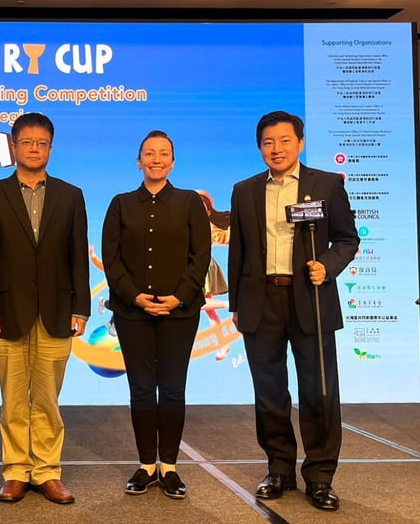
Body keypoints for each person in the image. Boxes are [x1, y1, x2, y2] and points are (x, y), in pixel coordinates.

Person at [227, 111, 359, 511]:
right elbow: (239, 252)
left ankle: (320, 477)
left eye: (285, 140)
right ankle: (279, 469)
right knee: (269, 393)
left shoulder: (326, 185)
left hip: (310, 298)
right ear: (259, 147)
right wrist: (236, 304)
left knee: (319, 390)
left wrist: (328, 266)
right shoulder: (244, 190)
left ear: (300, 143)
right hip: (261, 300)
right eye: (268, 142)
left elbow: (347, 239)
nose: (276, 148)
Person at [0, 112, 89, 505]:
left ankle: (47, 471)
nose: (34, 149)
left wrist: (82, 308)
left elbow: (78, 255)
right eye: (27, 142)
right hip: (6, 311)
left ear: (51, 148)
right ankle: (16, 471)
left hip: (58, 311)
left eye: (42, 143)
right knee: (12, 398)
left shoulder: (71, 195)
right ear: (13, 146)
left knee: (47, 399)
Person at [100, 131, 211, 498]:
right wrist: (137, 298)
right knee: (143, 391)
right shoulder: (120, 204)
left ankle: (170, 467)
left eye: (164, 154)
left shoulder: (190, 203)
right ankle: (147, 465)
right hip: (133, 313)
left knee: (174, 389)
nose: (156, 159)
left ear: (173, 162)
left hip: (180, 313)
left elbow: (201, 258)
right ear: (138, 161)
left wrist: (178, 297)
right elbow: (111, 262)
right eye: (149, 153)